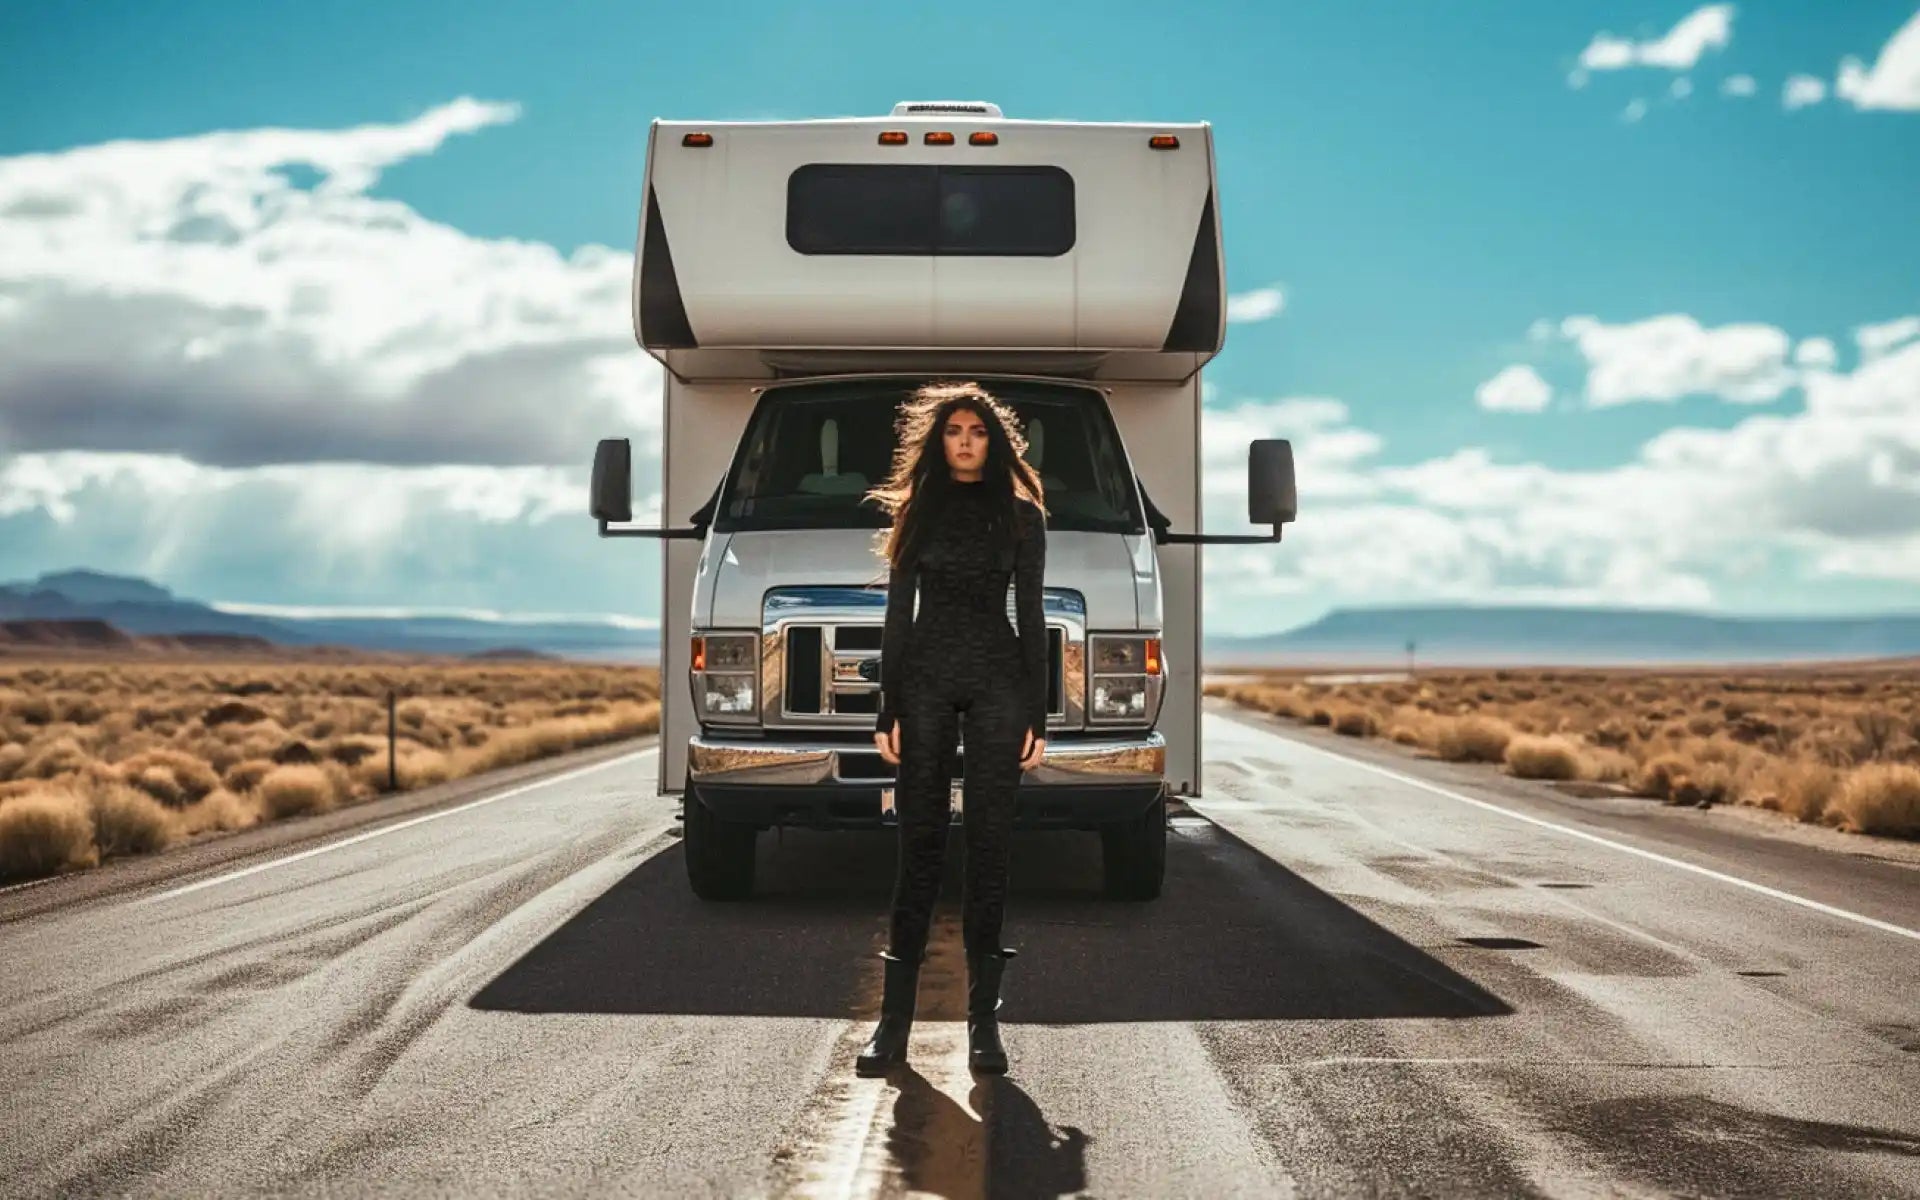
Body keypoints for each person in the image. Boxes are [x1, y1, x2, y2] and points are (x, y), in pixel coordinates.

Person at [854, 380, 1049, 1077]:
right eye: (954, 431)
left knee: (992, 845)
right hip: (927, 683)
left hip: (998, 680)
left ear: (994, 442)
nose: (966, 442)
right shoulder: (917, 510)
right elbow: (897, 617)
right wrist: (889, 706)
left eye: (977, 431)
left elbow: (1031, 616)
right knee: (922, 844)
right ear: (939, 442)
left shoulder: (1024, 518)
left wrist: (1038, 711)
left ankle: (983, 1027)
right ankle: (891, 1028)